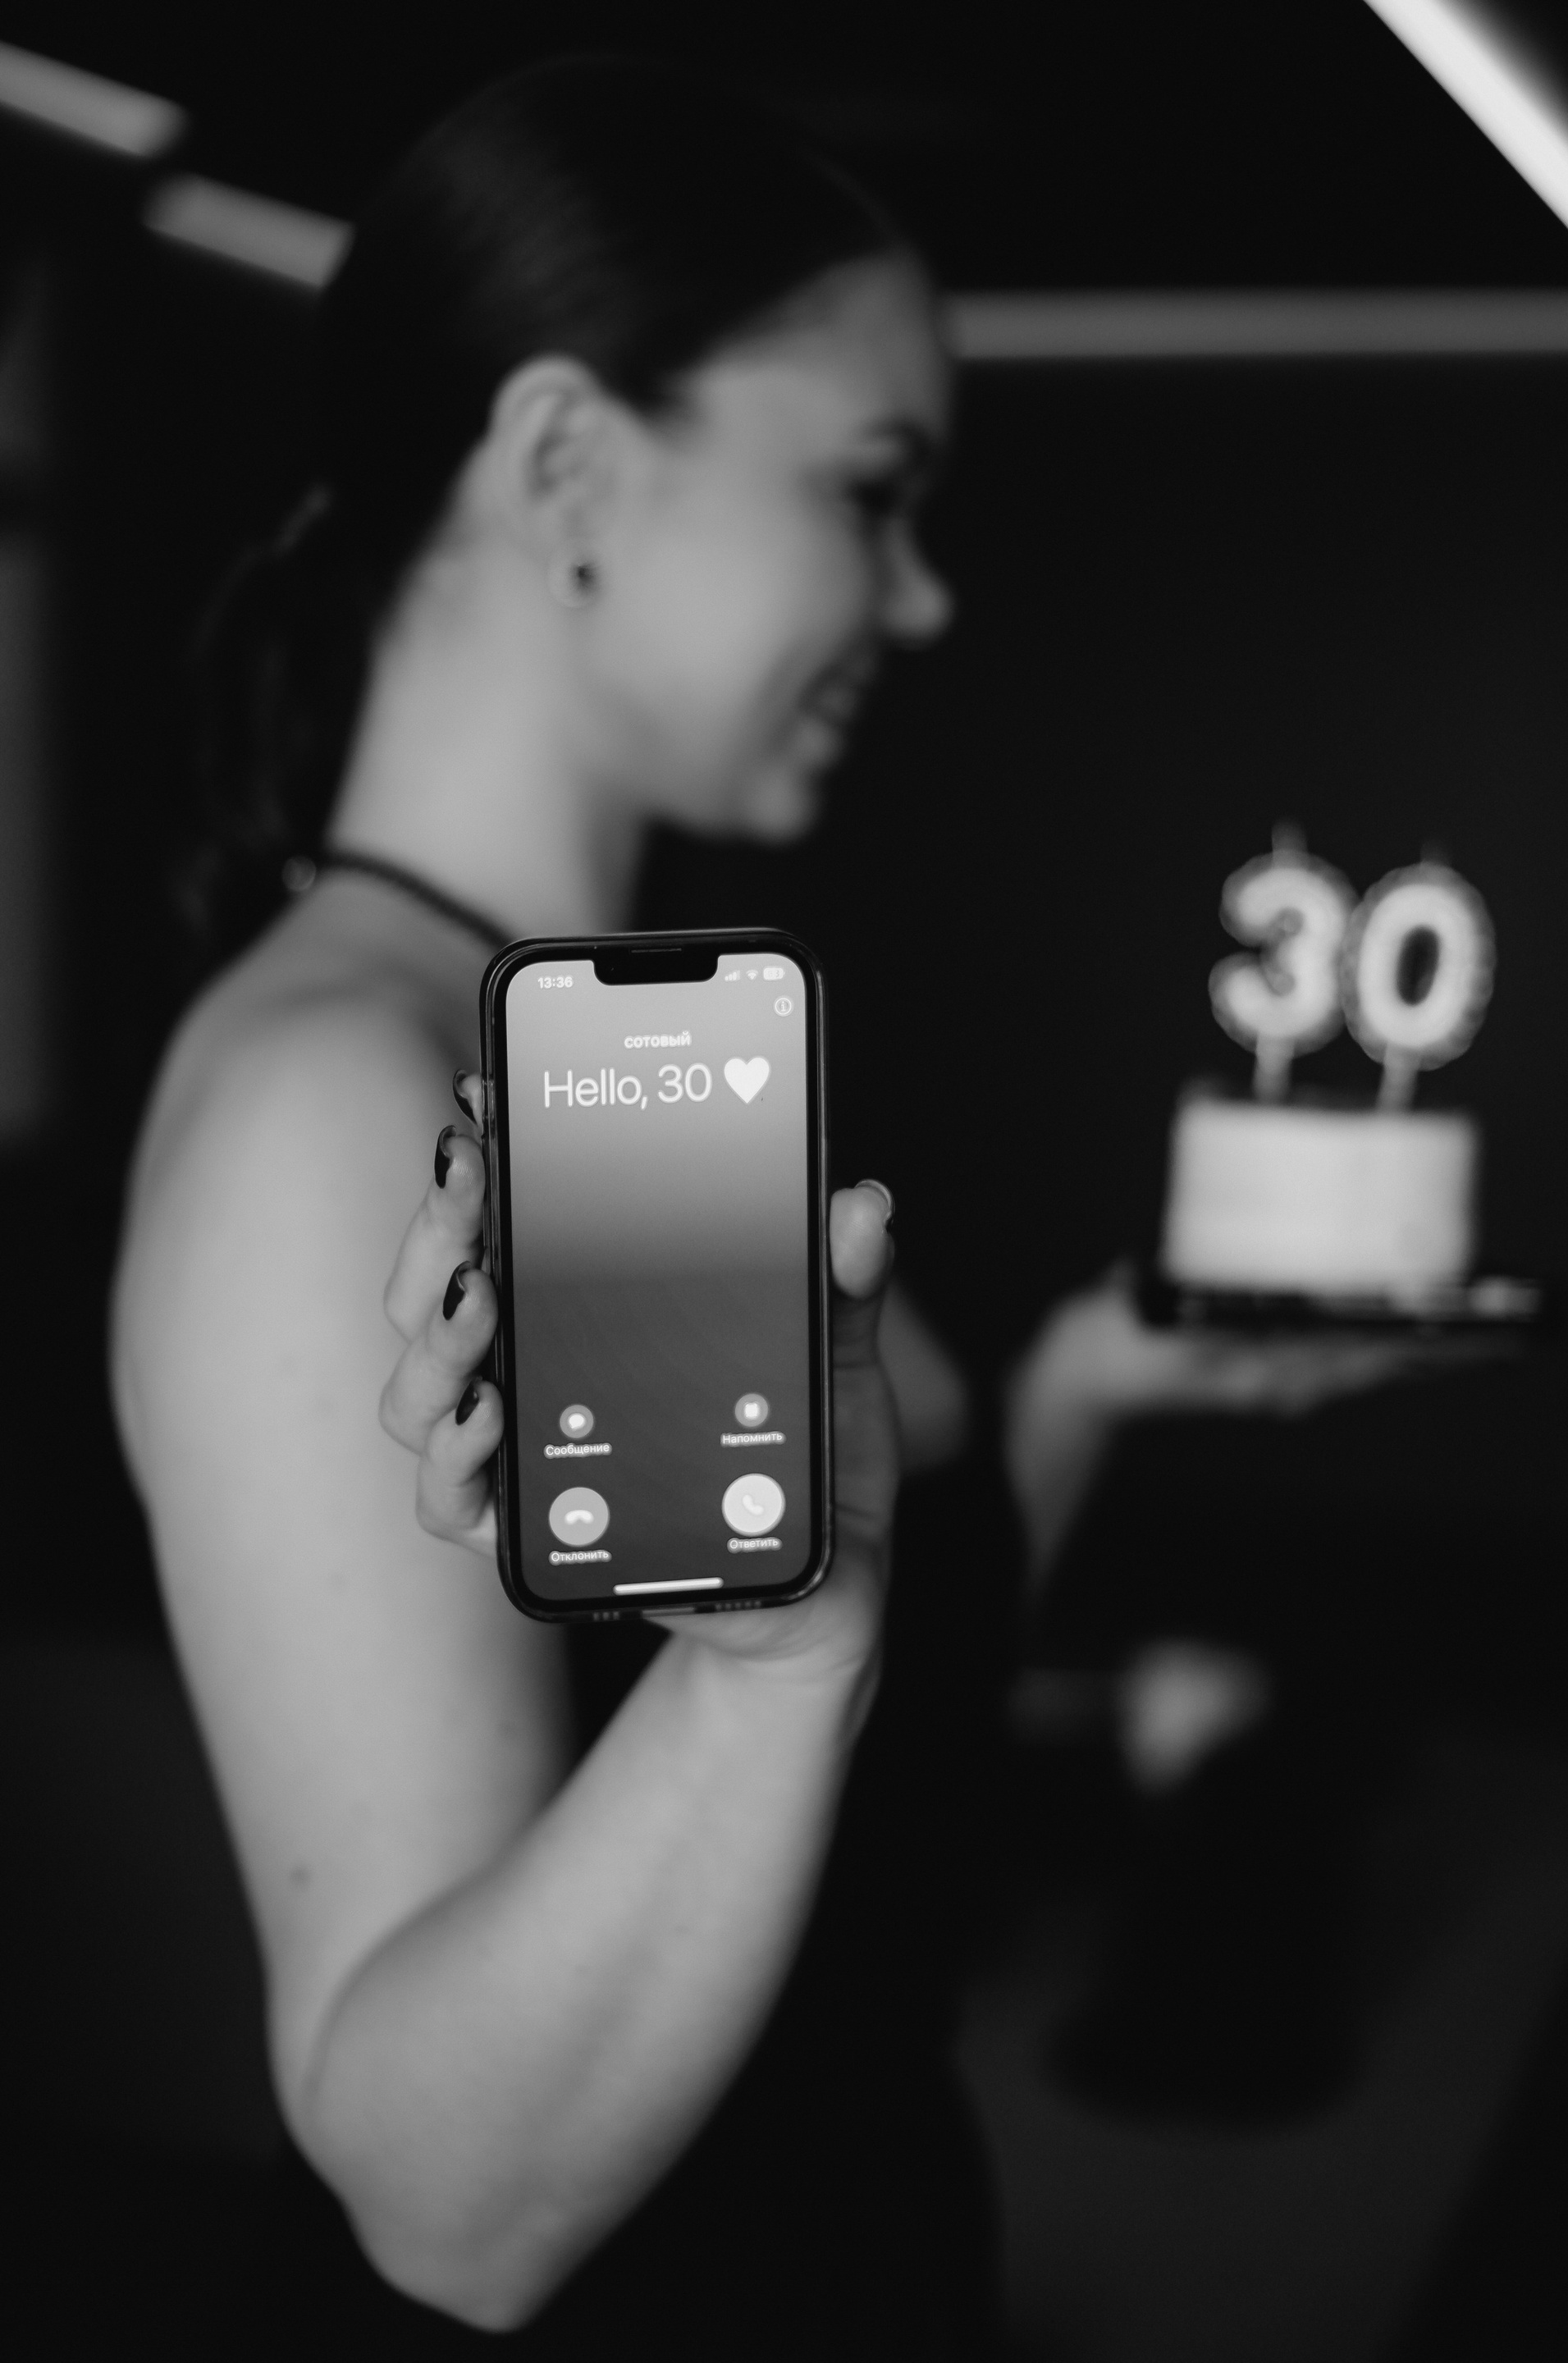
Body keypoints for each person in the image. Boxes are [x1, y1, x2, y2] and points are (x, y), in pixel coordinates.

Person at [112, 57, 989, 2358]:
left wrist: (1081, 1396)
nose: (924, 598)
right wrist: (770, 1668)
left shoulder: (651, 1062)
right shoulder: (336, 1098)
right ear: (571, 466)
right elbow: (445, 2206)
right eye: (872, 490)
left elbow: (890, 1732)